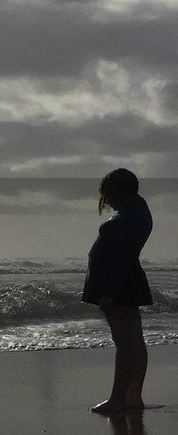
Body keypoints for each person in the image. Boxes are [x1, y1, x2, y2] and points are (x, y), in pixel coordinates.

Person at [82, 169, 152, 414]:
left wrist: (109, 293)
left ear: (120, 192)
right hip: (124, 282)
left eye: (108, 195)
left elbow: (124, 258)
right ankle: (132, 396)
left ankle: (118, 399)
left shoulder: (133, 217)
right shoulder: (135, 211)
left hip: (121, 285)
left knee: (125, 343)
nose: (107, 201)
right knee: (134, 342)